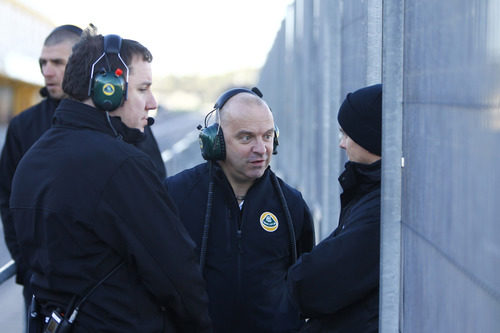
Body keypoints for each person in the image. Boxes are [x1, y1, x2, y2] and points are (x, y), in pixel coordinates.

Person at [9, 27, 211, 332]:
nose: (152, 101)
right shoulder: (123, 166)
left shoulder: (32, 159)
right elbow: (177, 275)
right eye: (143, 89)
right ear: (108, 89)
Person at [0, 24, 166, 309]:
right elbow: (8, 199)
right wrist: (28, 267)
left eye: (57, 62)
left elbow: (156, 194)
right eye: (43, 63)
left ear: (89, 69)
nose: (47, 72)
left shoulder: (129, 121)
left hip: (109, 293)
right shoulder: (23, 126)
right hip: (43, 287)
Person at [165, 87, 315, 333]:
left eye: (267, 136)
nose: (261, 148)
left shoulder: (291, 204)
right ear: (216, 142)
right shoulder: (176, 195)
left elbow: (301, 282)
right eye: (246, 138)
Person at [287, 83, 382, 332]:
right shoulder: (371, 191)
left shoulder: (380, 207)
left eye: (347, 135)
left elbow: (312, 284)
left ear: (369, 137)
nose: (342, 144)